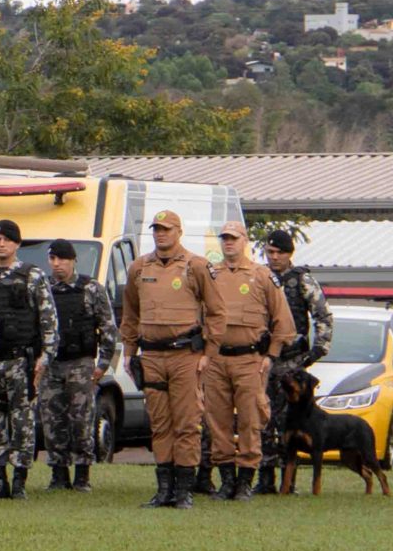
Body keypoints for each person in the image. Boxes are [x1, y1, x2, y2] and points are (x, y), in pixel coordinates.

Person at [121, 208, 216, 510]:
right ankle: (164, 490)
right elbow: (130, 313)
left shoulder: (196, 266)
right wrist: (128, 351)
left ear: (179, 232)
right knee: (159, 423)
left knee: (187, 423)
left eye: (166, 229)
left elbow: (217, 312)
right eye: (156, 229)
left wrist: (208, 354)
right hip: (152, 354)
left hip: (185, 354)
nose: (160, 234)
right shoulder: (139, 268)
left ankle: (185, 490)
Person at [202, 220, 294, 500]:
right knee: (217, 422)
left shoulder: (262, 275)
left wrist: (271, 356)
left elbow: (283, 321)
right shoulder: (210, 274)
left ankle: (245, 481)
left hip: (249, 359)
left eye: (233, 238)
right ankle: (226, 479)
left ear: (244, 241)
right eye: (224, 238)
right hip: (216, 359)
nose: (228, 243)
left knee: (250, 420)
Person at [0, 218, 59, 500]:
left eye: (7, 240)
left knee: (22, 423)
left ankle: (20, 481)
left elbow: (48, 321)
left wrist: (44, 359)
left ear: (17, 244)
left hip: (21, 362)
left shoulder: (32, 276)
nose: (1, 244)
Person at [38, 238, 118, 491]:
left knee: (81, 420)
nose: (57, 264)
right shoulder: (44, 289)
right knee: (52, 420)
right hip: (52, 365)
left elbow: (107, 327)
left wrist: (102, 365)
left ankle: (82, 474)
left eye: (62, 259)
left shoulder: (91, 289)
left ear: (73, 260)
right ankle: (58, 474)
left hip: (80, 364)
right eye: (53, 259)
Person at [258, 230, 333, 494]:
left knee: (290, 422)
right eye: (270, 252)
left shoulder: (302, 280)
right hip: (262, 359)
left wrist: (318, 350)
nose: (275, 257)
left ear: (290, 254)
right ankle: (264, 479)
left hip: (292, 362)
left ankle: (287, 482)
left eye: (280, 253)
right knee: (261, 419)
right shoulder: (259, 276)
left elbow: (323, 316)